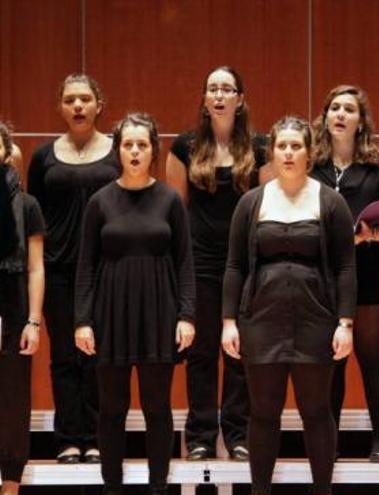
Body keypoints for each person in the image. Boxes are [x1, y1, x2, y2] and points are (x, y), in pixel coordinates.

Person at [222, 116, 354, 495]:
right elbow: (234, 266)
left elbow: (346, 267)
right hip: (261, 321)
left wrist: (344, 323)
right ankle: (260, 491)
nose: (289, 152)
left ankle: (322, 490)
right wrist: (229, 321)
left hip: (316, 319)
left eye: (297, 146)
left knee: (316, 411)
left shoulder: (330, 201)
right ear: (272, 152)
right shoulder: (251, 202)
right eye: (282, 146)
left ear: (310, 154)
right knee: (263, 412)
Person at [74, 113, 196, 495]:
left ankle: (159, 486)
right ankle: (112, 487)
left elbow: (185, 263)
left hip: (159, 315)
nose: (135, 151)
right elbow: (85, 267)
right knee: (112, 409)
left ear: (153, 150)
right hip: (110, 317)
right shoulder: (99, 202)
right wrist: (83, 321)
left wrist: (187, 315)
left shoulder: (170, 200)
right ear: (118, 151)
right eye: (128, 144)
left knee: (157, 408)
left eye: (142, 144)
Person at [166, 66, 269, 462]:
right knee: (202, 352)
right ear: (205, 99)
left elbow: (266, 210)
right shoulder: (184, 147)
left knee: (240, 352)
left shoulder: (260, 147)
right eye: (213, 88)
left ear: (240, 99)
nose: (220, 95)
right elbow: (174, 213)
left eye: (227, 88)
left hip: (243, 263)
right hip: (199, 262)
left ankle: (239, 433)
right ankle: (200, 436)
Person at [28, 73, 120, 464]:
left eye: (85, 99)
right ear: (61, 107)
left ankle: (97, 438)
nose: (78, 106)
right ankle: (69, 438)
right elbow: (34, 216)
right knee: (65, 355)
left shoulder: (120, 150)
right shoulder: (43, 157)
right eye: (70, 100)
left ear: (99, 104)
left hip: (107, 268)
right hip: (59, 268)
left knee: (99, 355)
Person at [310, 85, 379, 461]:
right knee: (331, 362)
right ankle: (329, 441)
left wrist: (367, 235)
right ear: (325, 117)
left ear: (361, 121)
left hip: (368, 272)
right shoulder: (311, 166)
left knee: (371, 356)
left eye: (349, 109)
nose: (340, 115)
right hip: (322, 276)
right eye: (334, 108)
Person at [0, 122, 45, 495]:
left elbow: (35, 267)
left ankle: (11, 484)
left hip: (13, 306)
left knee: (13, 396)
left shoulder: (27, 204)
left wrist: (33, 319)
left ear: (6, 150)